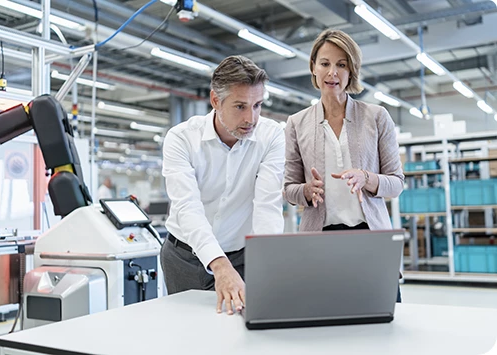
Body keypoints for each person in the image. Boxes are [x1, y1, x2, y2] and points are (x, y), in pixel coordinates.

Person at [283, 29, 404, 301]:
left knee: (382, 322)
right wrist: (305, 191)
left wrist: (366, 178)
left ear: (352, 71)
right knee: (326, 325)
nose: (332, 73)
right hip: (320, 239)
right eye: (325, 63)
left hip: (370, 237)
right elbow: (288, 188)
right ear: (313, 67)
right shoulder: (296, 123)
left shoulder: (376, 116)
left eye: (341, 65)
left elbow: (397, 183)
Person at [161, 55, 285, 314]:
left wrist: (268, 264)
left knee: (240, 335)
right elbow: (188, 208)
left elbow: (267, 206)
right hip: (184, 257)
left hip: (241, 256)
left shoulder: (271, 136)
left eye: (258, 105)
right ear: (216, 101)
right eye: (240, 106)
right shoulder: (181, 139)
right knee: (187, 335)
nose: (251, 118)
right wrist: (219, 264)